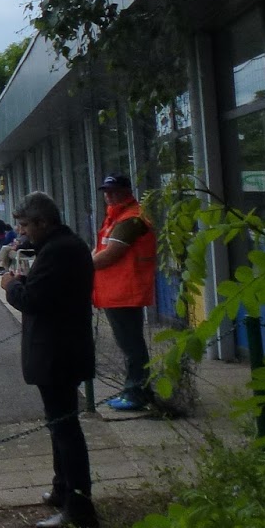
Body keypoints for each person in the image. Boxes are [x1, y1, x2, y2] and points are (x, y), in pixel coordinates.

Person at [3, 191, 99, 528]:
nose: (23, 233)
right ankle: (64, 490)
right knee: (60, 425)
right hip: (66, 349)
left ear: (43, 222)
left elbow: (34, 299)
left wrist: (11, 286)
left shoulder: (58, 251)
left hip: (57, 352)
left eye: (26, 225)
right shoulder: (65, 247)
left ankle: (78, 505)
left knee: (65, 428)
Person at [93, 174, 158, 412]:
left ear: (126, 191)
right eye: (106, 191)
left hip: (124, 292)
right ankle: (138, 389)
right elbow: (102, 249)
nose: (108, 195)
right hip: (117, 291)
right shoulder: (118, 217)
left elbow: (111, 254)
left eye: (113, 190)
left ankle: (136, 392)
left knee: (131, 345)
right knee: (130, 344)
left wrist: (78, 266)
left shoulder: (131, 219)